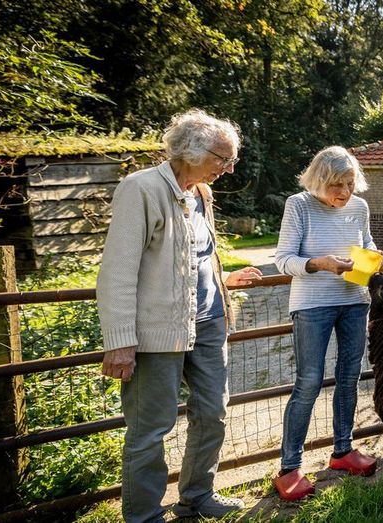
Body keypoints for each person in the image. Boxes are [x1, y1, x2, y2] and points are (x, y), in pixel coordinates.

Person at [96, 108, 263, 522]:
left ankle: (197, 497)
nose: (228, 167)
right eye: (222, 159)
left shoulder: (201, 194)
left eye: (231, 159)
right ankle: (143, 516)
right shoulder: (141, 189)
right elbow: (117, 272)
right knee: (151, 429)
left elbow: (195, 256)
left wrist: (225, 280)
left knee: (213, 413)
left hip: (207, 323)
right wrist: (119, 341)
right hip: (158, 333)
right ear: (190, 150)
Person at [272, 145, 379, 501]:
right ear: (319, 181)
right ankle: (289, 468)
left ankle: (343, 451)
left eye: (350, 184)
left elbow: (365, 244)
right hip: (312, 304)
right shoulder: (298, 205)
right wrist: (320, 264)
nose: (345, 193)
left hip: (354, 301)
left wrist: (374, 255)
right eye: (337, 185)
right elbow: (283, 260)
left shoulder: (360, 207)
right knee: (309, 382)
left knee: (349, 377)